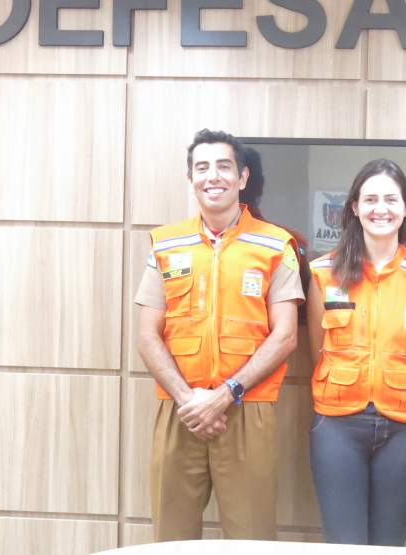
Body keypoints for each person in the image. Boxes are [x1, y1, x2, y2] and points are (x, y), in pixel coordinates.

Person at [134, 129, 304, 541]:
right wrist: (189, 400)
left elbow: (284, 336)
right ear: (191, 178)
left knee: (251, 539)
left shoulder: (275, 244)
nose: (213, 176)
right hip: (181, 410)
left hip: (246, 409)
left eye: (224, 167)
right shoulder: (165, 244)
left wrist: (225, 395)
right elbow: (146, 334)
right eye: (202, 167)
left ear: (243, 178)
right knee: (171, 539)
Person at [306, 159, 406, 546]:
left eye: (390, 199)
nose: (379, 208)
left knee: (389, 543)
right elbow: (319, 351)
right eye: (369, 199)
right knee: (344, 542)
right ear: (354, 207)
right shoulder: (323, 272)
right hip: (337, 423)